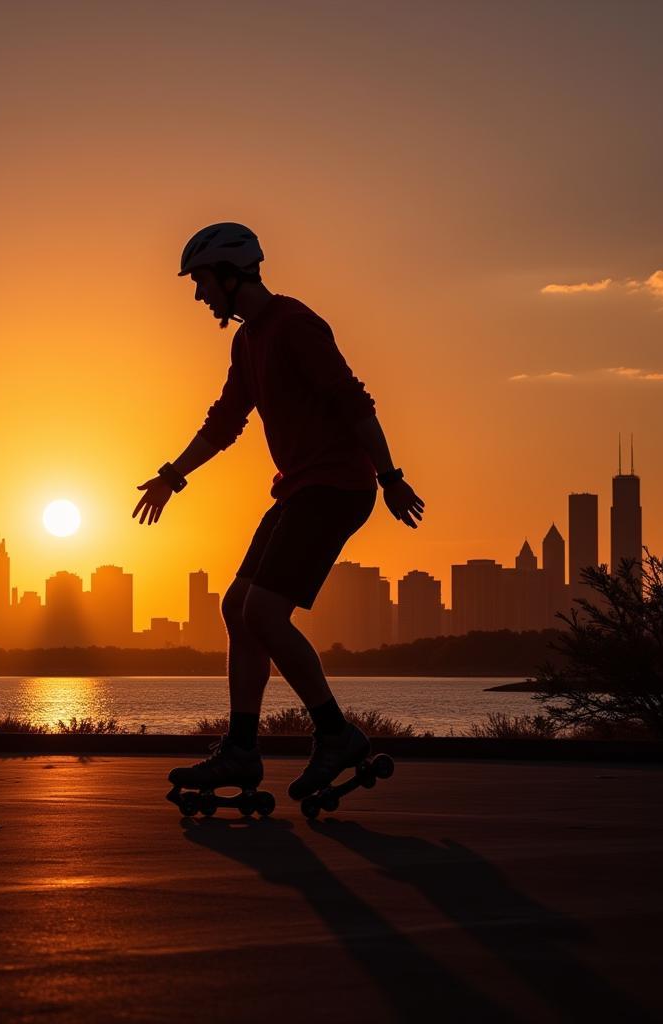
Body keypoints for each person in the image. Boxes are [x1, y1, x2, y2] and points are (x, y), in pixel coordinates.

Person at [133, 222, 424, 802]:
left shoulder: (295, 326)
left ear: (232, 274)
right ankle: (242, 749)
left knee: (264, 612)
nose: (199, 295)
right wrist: (172, 476)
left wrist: (390, 476)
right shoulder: (247, 342)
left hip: (337, 486)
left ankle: (336, 735)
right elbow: (224, 423)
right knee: (238, 608)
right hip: (297, 489)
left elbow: (354, 401)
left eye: (202, 281)